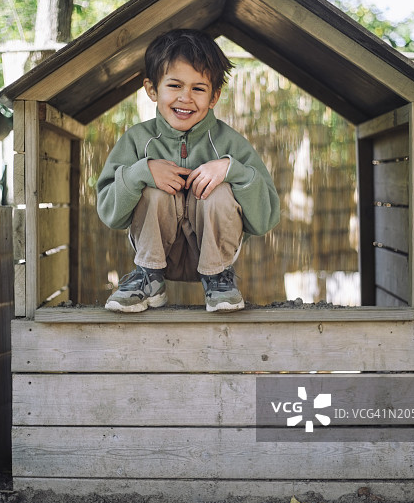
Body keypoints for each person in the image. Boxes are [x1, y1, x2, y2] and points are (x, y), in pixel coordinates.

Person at [97, 28, 280, 313]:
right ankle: (149, 280)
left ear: (214, 96)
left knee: (219, 188)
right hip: (156, 252)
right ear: (152, 90)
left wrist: (233, 170)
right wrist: (140, 173)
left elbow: (264, 220)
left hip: (212, 251)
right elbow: (111, 214)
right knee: (151, 185)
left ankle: (219, 279)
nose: (186, 97)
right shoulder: (136, 141)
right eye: (174, 86)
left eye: (198, 88)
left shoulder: (230, 144)